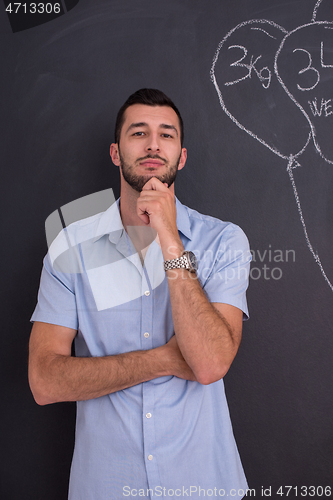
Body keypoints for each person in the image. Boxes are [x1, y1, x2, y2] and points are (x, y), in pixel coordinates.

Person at [29, 88, 251, 499]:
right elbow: (45, 381)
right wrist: (165, 359)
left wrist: (168, 236)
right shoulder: (70, 246)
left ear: (181, 156)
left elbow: (210, 363)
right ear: (116, 153)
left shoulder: (223, 240)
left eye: (167, 134)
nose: (153, 144)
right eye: (138, 133)